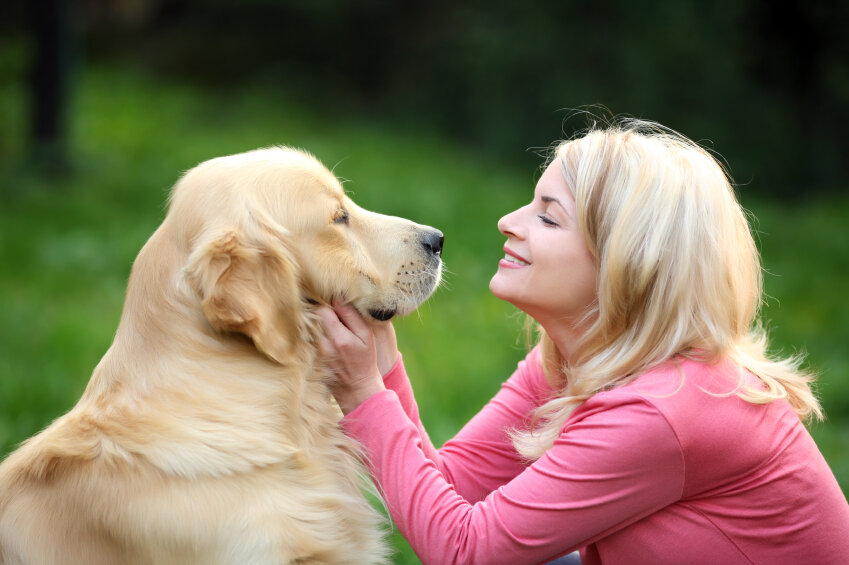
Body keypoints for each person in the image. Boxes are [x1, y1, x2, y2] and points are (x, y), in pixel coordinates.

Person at [316, 118, 849, 565]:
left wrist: (364, 395)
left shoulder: (659, 411)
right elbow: (452, 487)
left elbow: (463, 551)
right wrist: (380, 359)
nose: (507, 222)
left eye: (548, 217)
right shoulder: (573, 358)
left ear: (626, 264)